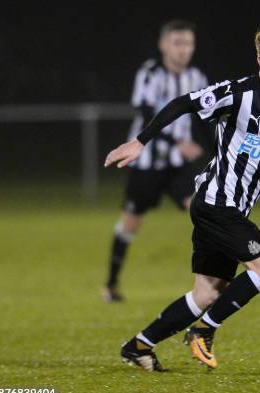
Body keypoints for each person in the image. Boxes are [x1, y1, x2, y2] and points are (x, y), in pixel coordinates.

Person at [104, 22, 260, 371]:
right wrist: (140, 141)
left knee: (207, 293)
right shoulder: (238, 94)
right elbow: (184, 103)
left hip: (232, 210)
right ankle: (204, 331)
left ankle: (138, 346)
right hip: (215, 204)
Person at [103, 20, 209, 302]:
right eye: (177, 43)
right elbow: (145, 113)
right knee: (130, 223)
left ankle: (211, 281)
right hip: (146, 164)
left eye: (188, 43)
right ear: (163, 45)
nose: (183, 49)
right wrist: (178, 142)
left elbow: (205, 119)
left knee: (203, 213)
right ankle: (111, 285)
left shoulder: (197, 77)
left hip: (178, 166)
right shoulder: (150, 73)